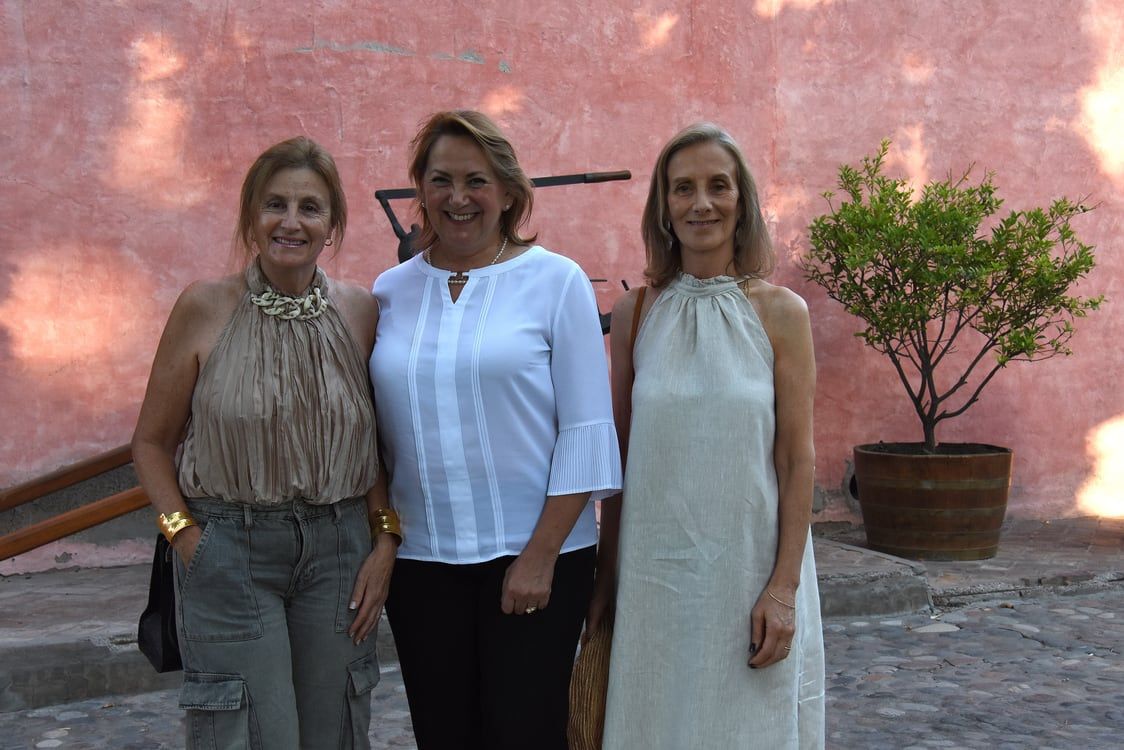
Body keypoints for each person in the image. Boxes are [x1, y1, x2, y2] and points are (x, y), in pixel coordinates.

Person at [131, 136, 398, 749]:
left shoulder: (360, 311)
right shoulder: (204, 307)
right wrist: (188, 539)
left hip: (339, 554)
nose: (291, 221)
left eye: (311, 207)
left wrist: (383, 539)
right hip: (231, 546)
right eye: (275, 204)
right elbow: (151, 442)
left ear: (332, 224)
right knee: (251, 733)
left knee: (337, 730)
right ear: (251, 216)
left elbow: (367, 444)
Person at [369, 110, 621, 750]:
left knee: (523, 734)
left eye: (476, 180)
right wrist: (386, 539)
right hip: (422, 566)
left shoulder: (556, 281)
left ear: (509, 192)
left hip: (537, 560)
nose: (458, 198)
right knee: (443, 734)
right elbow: (375, 434)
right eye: (440, 180)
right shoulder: (390, 291)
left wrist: (539, 555)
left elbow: (587, 432)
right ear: (419, 190)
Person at [590, 123, 826, 748]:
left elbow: (797, 462)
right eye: (683, 189)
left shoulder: (781, 314)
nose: (701, 203)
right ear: (663, 208)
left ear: (742, 201)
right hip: (653, 578)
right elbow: (618, 457)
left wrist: (783, 589)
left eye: (718, 186)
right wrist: (606, 578)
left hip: (748, 574)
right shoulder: (634, 313)